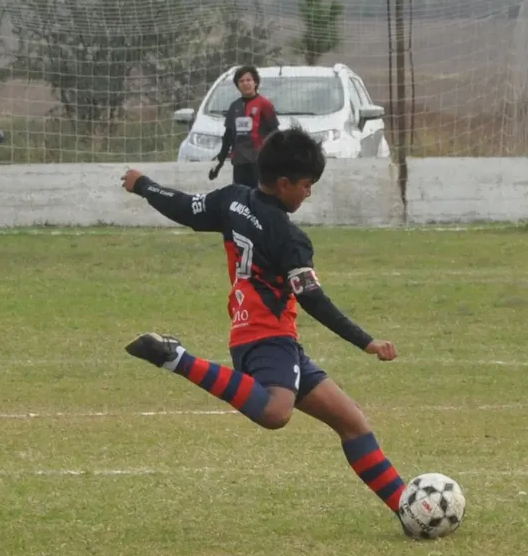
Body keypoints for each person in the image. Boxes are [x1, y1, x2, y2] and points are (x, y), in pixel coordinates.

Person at [122, 126, 410, 528]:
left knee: (352, 422)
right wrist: (366, 341)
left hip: (262, 338)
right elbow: (313, 300)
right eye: (306, 185)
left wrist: (145, 186)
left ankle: (409, 509)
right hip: (268, 337)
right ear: (283, 183)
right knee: (276, 412)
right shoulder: (291, 239)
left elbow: (185, 208)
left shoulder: (232, 200)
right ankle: (177, 358)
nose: (309, 193)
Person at [209, 65, 280, 189]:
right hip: (239, 161)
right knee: (240, 197)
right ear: (237, 85)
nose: (245, 83)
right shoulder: (234, 106)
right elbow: (228, 136)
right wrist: (219, 162)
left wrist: (278, 160)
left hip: (258, 161)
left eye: (248, 80)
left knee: (258, 196)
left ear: (255, 82)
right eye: (241, 81)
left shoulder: (265, 104)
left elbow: (275, 133)